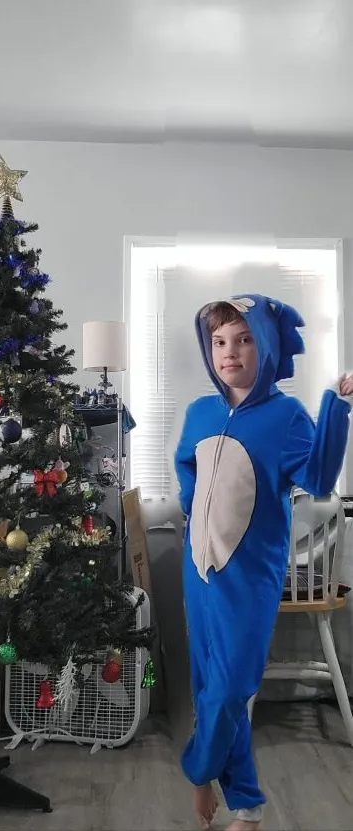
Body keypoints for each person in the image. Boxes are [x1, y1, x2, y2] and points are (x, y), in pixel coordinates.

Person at [174, 294, 353, 831]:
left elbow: (318, 480)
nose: (230, 352)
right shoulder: (200, 412)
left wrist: (338, 410)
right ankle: (248, 807)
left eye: (245, 339)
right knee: (209, 683)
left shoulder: (286, 417)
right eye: (220, 342)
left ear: (267, 346)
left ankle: (200, 770)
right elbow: (190, 468)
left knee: (232, 688)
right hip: (199, 569)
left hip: (249, 578)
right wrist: (192, 516)